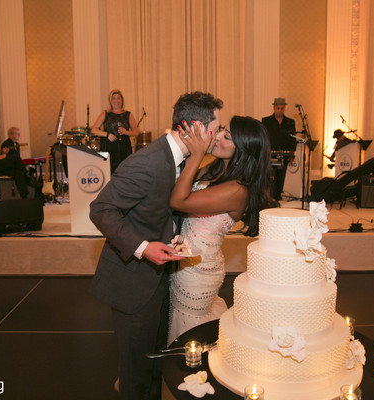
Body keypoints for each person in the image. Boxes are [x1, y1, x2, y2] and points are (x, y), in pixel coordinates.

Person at [89, 91, 223, 400]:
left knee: (152, 367)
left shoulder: (180, 159)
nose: (215, 135)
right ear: (193, 128)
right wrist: (143, 246)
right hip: (132, 283)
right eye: (214, 128)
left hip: (158, 280)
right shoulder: (148, 162)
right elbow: (101, 209)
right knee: (135, 374)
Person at [167, 116, 271, 344]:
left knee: (189, 331)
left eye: (227, 137)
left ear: (243, 150)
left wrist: (197, 154)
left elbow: (178, 201)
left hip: (198, 270)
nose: (219, 137)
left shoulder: (237, 190)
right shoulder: (217, 168)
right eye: (222, 130)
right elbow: (181, 184)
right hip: (186, 261)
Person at [90, 90, 139, 173]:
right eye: (113, 98)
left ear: (122, 100)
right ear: (110, 101)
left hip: (124, 149)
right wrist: (107, 134)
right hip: (108, 148)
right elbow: (94, 130)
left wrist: (126, 132)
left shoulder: (128, 114)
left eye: (118, 98)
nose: (116, 101)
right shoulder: (105, 114)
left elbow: (136, 132)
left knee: (124, 173)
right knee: (108, 173)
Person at [261, 98, 296, 201]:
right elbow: (264, 137)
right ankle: (272, 197)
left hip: (285, 154)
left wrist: (292, 154)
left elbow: (292, 139)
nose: (280, 110)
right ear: (274, 108)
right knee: (272, 177)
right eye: (277, 108)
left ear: (284, 108)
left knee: (282, 177)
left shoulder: (290, 122)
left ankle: (278, 195)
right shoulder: (266, 121)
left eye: (282, 108)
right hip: (271, 153)